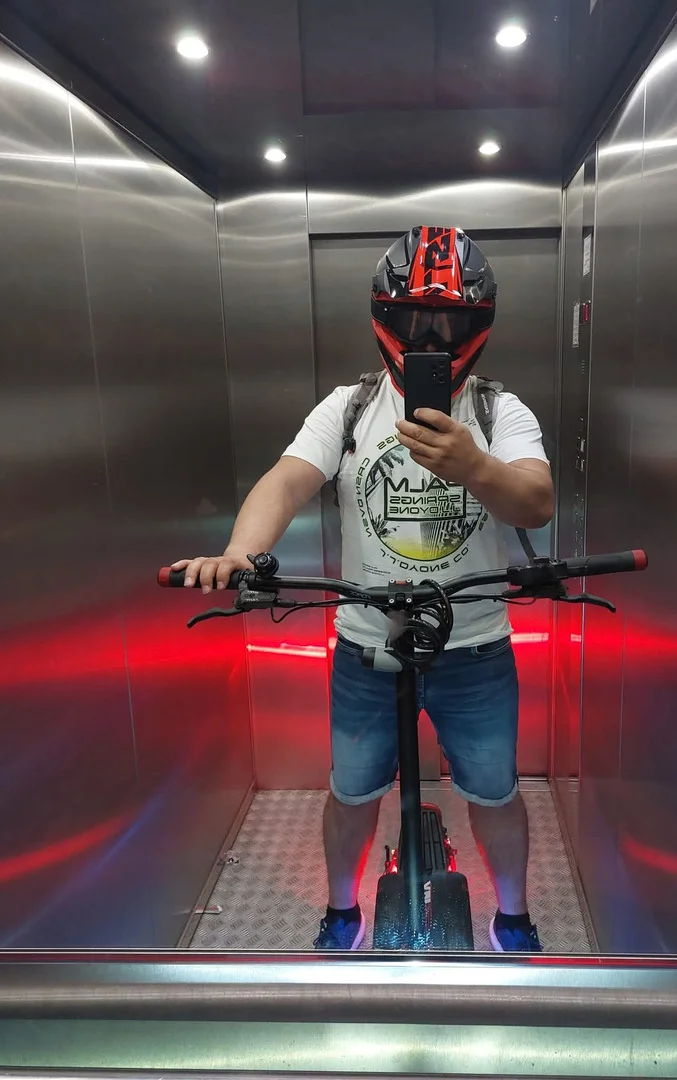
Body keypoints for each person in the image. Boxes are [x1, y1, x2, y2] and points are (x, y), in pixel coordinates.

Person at [172, 226, 555, 952]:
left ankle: (513, 915)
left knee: (496, 794)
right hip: (365, 649)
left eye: (450, 324)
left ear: (480, 326)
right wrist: (240, 553)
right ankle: (341, 910)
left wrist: (474, 466)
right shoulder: (347, 407)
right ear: (385, 318)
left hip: (476, 648)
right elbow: (288, 480)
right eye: (413, 320)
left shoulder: (498, 412)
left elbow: (535, 501)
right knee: (351, 794)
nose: (431, 338)